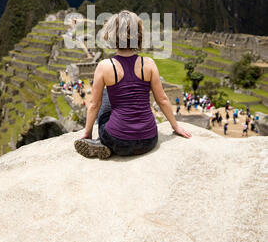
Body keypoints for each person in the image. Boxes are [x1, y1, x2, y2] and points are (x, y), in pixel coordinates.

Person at [74, 10, 191, 159]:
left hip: (117, 141)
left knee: (105, 96)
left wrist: (87, 133)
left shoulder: (104, 66)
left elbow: (93, 105)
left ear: (111, 35)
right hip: (149, 140)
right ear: (138, 35)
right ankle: (103, 143)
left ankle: (100, 142)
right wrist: (176, 126)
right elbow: (162, 99)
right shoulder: (148, 64)